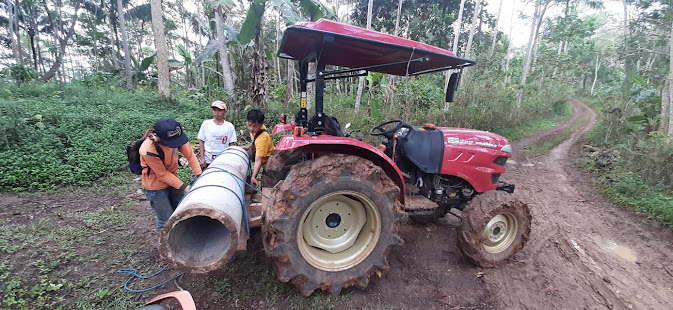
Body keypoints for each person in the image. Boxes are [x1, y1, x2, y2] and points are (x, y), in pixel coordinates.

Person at [140, 117, 202, 232]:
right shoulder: (148, 150)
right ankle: (165, 247)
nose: (175, 145)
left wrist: (199, 175)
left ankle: (183, 239)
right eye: (172, 144)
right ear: (157, 137)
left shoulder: (177, 137)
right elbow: (162, 174)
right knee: (166, 221)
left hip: (172, 182)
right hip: (155, 188)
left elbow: (190, 156)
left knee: (182, 211)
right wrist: (185, 187)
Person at [197, 100, 237, 169]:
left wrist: (229, 159)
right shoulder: (206, 124)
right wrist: (202, 159)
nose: (217, 113)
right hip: (208, 159)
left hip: (223, 160)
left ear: (225, 112)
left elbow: (231, 145)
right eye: (214, 110)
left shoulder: (229, 126)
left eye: (220, 111)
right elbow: (202, 141)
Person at [242, 109, 275, 188]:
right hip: (263, 158)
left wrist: (253, 177)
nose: (252, 129)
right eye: (250, 125)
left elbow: (258, 160)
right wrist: (247, 147)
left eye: (255, 126)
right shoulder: (255, 129)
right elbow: (254, 140)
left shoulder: (262, 139)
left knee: (268, 186)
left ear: (261, 124)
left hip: (270, 164)